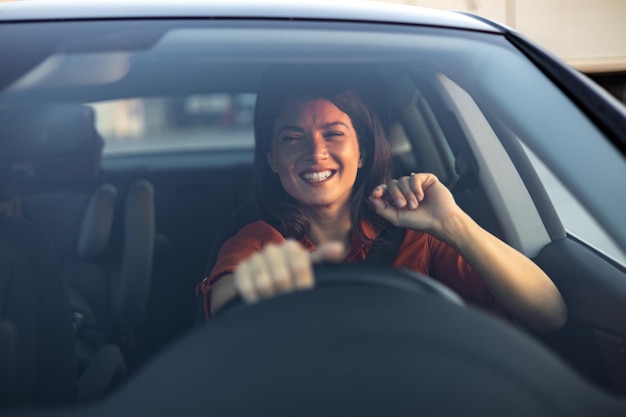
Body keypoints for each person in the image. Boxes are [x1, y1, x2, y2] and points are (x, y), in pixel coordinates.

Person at [197, 68, 567, 333]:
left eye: (334, 133)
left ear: (362, 152)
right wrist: (258, 285)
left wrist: (452, 222)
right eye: (292, 138)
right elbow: (223, 300)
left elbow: (550, 313)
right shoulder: (257, 240)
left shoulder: (417, 232)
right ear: (272, 158)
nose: (316, 152)